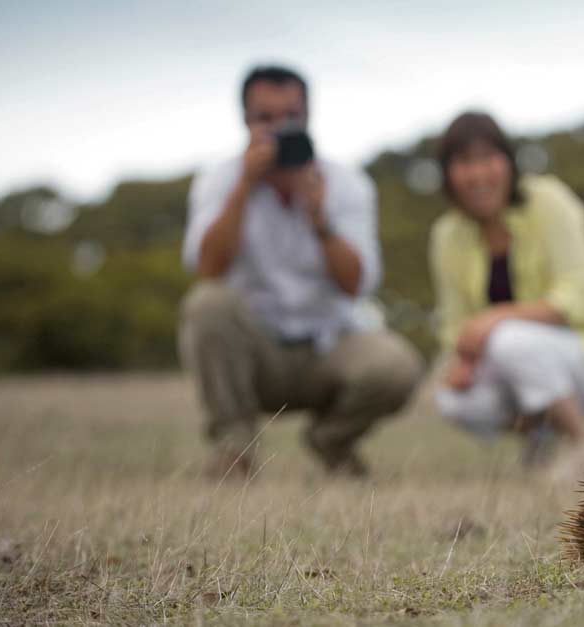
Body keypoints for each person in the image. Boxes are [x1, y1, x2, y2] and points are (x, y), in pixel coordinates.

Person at [179, 65, 422, 479]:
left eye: (291, 116)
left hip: (328, 345)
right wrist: (244, 187)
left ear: (309, 116)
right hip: (255, 350)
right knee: (207, 305)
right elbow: (208, 269)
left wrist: (319, 218)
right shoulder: (220, 181)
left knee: (396, 365)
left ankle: (331, 440)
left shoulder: (345, 184)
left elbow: (357, 284)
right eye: (265, 118)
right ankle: (234, 449)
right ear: (245, 121)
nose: (280, 128)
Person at [429, 111, 584, 470]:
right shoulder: (446, 234)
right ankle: (543, 436)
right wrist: (460, 361)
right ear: (448, 175)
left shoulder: (548, 199)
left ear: (508, 162)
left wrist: (494, 319)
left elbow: (576, 294)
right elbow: (455, 325)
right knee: (451, 398)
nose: (478, 174)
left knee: (509, 339)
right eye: (464, 162)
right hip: (526, 363)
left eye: (487, 158)